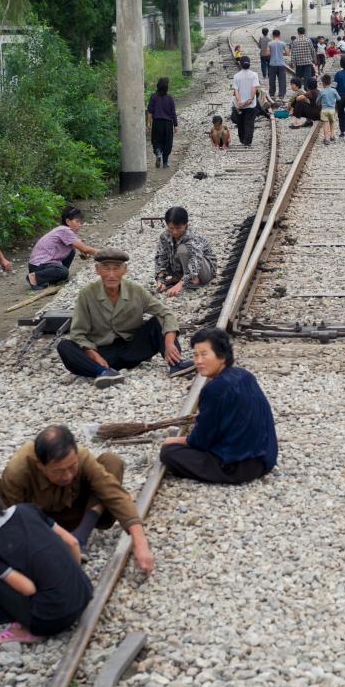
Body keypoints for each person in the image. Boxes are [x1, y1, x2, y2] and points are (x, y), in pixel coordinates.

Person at [0, 425, 154, 570]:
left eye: (72, 467)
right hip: (43, 524)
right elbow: (13, 518)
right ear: (40, 466)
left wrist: (140, 543)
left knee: (111, 462)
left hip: (79, 513)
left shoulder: (80, 456)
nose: (67, 476)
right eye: (58, 471)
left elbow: (114, 493)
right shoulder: (18, 470)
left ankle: (81, 535)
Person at [57, 247, 193, 387]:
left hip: (133, 350)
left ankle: (176, 363)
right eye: (106, 268)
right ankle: (103, 372)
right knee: (65, 346)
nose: (111, 275)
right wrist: (93, 354)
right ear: (97, 269)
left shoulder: (136, 290)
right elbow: (78, 332)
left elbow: (166, 314)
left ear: (124, 270)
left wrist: (169, 343)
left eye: (116, 268)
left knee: (157, 322)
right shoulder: (87, 294)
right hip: (103, 354)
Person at [160, 327, 277, 485]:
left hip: (237, 467)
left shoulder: (214, 389)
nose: (198, 361)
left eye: (204, 354)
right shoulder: (244, 375)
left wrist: (175, 441)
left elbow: (200, 441)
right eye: (195, 355)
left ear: (222, 356)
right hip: (265, 460)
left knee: (168, 453)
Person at [0, 494, 93, 644]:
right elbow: (73, 542)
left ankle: (22, 629)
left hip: (51, 621)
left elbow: (28, 589)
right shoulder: (26, 509)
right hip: (84, 592)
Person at [27, 206, 97, 291]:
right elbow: (86, 249)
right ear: (68, 221)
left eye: (80, 222)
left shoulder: (63, 230)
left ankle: (55, 277)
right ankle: (34, 277)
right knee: (63, 272)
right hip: (38, 266)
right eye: (77, 221)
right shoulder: (65, 230)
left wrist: (82, 251)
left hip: (42, 264)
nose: (80, 225)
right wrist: (104, 253)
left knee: (71, 251)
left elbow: (80, 246)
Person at [155, 206, 217, 298]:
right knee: (167, 254)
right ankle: (181, 278)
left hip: (203, 272)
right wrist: (160, 280)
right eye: (171, 228)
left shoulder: (193, 236)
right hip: (180, 271)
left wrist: (180, 284)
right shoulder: (164, 236)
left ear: (186, 225)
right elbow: (161, 258)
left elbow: (195, 262)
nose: (175, 232)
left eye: (178, 228)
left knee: (182, 250)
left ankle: (194, 280)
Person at [146, 77, 178, 169]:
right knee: (167, 143)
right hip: (168, 124)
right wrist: (175, 125)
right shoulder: (170, 98)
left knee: (156, 141)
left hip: (157, 123)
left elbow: (150, 111)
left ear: (158, 86)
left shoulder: (153, 96)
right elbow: (173, 113)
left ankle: (158, 153)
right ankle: (165, 163)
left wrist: (148, 123)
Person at [232, 56, 259, 147]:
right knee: (249, 123)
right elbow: (254, 88)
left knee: (241, 123)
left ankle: (242, 139)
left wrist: (239, 101)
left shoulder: (236, 76)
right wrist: (251, 99)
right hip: (251, 104)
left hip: (240, 105)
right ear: (249, 63)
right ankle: (247, 142)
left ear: (240, 64)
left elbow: (236, 90)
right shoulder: (254, 75)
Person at [317, 73, 340, 144]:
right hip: (332, 110)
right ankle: (332, 136)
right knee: (332, 122)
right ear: (330, 82)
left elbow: (317, 101)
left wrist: (318, 103)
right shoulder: (334, 90)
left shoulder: (322, 91)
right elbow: (339, 98)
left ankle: (326, 138)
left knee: (325, 123)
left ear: (323, 83)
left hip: (324, 110)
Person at [268, 29, 288, 99]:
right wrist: (281, 53)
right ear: (279, 35)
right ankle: (281, 95)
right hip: (281, 64)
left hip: (272, 64)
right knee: (282, 80)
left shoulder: (270, 43)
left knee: (272, 80)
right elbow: (287, 53)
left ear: (273, 35)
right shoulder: (283, 43)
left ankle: (272, 94)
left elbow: (267, 53)